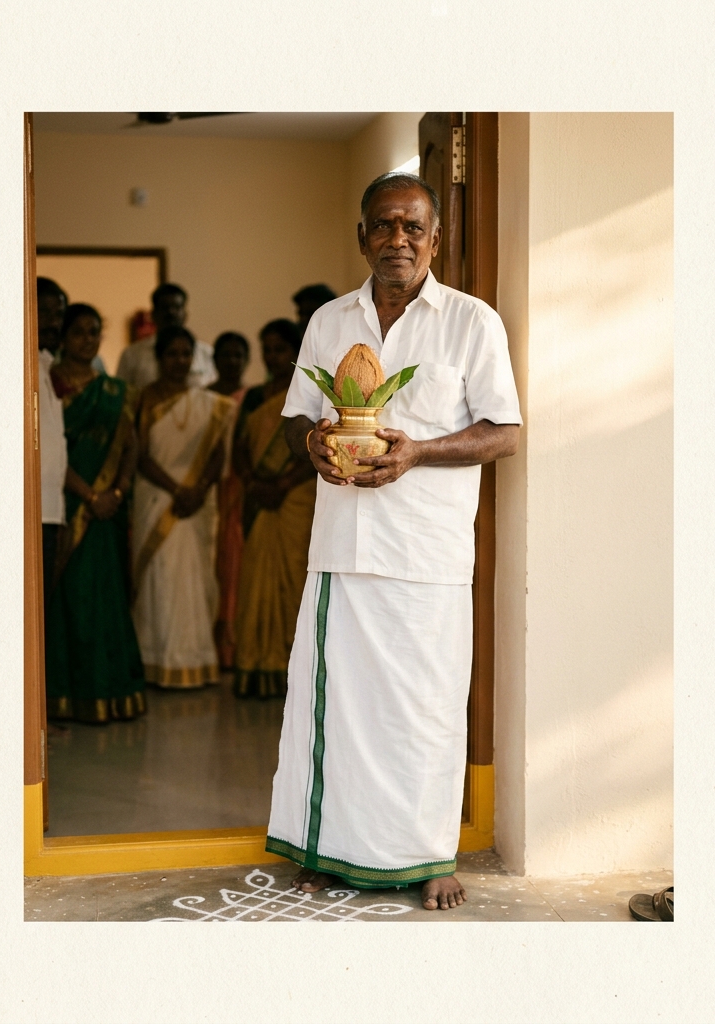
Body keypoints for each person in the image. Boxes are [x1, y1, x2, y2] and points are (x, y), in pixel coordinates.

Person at [266, 172, 521, 910]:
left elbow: (503, 432)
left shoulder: (472, 323)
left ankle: (429, 857)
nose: (397, 240)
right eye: (383, 226)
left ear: (435, 239)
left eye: (412, 227)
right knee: (336, 708)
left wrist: (418, 453)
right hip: (342, 550)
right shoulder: (328, 321)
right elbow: (295, 417)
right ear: (362, 237)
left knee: (425, 710)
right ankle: (328, 847)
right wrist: (312, 440)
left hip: (428, 557)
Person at [44, 304, 146, 723]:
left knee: (104, 599)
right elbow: (50, 450)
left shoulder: (114, 390)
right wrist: (89, 497)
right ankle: (63, 695)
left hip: (106, 512)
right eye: (79, 332)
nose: (87, 339)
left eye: (94, 332)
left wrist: (117, 492)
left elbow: (130, 446)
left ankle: (108, 692)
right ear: (64, 336)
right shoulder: (48, 384)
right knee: (67, 601)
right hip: (68, 508)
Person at [131, 326, 235, 688]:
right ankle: (156, 661)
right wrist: (177, 488)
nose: (179, 361)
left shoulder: (208, 404)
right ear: (159, 358)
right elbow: (139, 456)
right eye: (172, 354)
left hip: (194, 501)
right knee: (157, 577)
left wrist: (199, 489)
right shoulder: (143, 398)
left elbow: (218, 452)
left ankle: (195, 662)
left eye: (184, 354)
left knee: (194, 578)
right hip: (157, 496)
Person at [232, 319, 317, 698]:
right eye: (266, 349)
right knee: (255, 582)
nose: (272, 357)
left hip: (295, 498)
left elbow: (318, 447)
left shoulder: (312, 394)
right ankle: (254, 665)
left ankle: (292, 671)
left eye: (279, 349)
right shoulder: (254, 397)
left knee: (294, 579)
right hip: (260, 500)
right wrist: (253, 483)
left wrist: (282, 484)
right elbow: (238, 449)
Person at [207, 332, 251, 670]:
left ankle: (231, 648)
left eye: (239, 355)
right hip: (206, 493)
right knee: (209, 565)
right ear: (214, 359)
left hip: (237, 491)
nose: (232, 362)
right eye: (226, 355)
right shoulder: (201, 398)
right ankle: (207, 646)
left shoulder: (251, 399)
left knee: (232, 564)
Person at [116, 283, 217, 391]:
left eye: (177, 307)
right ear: (153, 314)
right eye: (165, 307)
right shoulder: (132, 355)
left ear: (185, 314)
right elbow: (122, 396)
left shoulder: (206, 353)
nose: (171, 312)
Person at [36, 278, 68, 608]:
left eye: (58, 313)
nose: (53, 322)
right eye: (44, 312)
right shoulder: (18, 363)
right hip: (29, 511)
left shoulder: (46, 364)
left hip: (52, 509)